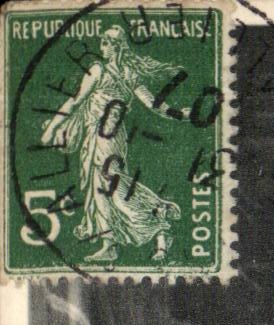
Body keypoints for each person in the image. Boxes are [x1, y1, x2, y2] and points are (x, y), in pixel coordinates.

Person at [39, 27, 184, 264]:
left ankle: (148, 217)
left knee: (106, 186)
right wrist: (180, 114)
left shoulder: (100, 70)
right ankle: (142, 228)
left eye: (105, 44)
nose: (101, 48)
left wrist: (51, 128)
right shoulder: (128, 74)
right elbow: (155, 104)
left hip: (104, 137)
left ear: (115, 46)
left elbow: (75, 102)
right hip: (112, 138)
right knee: (108, 188)